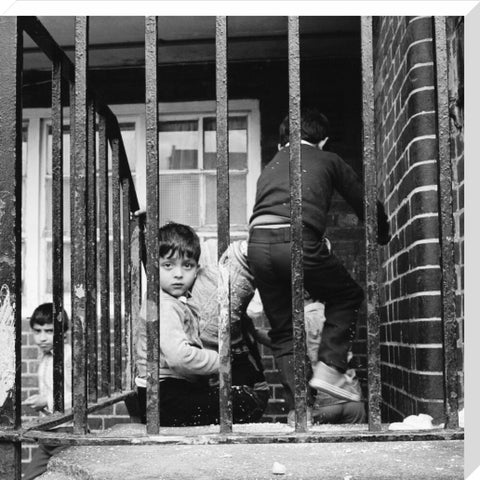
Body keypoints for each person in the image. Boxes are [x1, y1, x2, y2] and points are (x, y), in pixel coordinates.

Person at [247, 107, 390, 411]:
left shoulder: (271, 164)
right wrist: (382, 233)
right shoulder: (327, 158)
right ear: (323, 141)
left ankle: (303, 408)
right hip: (298, 241)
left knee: (284, 331)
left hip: (257, 246)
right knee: (348, 295)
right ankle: (330, 367)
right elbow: (363, 200)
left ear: (280, 143)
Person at [134, 222, 265, 426]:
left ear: (197, 269)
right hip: (163, 397)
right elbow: (179, 358)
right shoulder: (163, 306)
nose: (178, 274)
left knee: (237, 393)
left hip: (167, 392)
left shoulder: (175, 301)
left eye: (187, 265)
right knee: (242, 402)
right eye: (168, 265)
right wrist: (221, 361)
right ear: (153, 268)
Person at [22, 303, 71, 480]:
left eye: (49, 331)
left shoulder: (68, 356)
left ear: (63, 331)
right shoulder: (45, 356)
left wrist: (47, 401)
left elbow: (82, 399)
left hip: (67, 434)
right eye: (37, 331)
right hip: (48, 436)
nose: (42, 338)